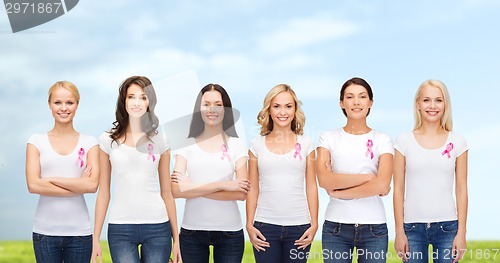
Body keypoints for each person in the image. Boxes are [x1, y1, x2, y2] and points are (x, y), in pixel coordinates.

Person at [91, 76, 180, 263]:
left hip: (158, 226)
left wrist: (176, 240)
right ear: (123, 101)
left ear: (150, 102)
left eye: (143, 97)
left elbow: (167, 192)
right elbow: (104, 192)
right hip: (120, 228)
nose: (137, 102)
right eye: (131, 97)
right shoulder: (107, 140)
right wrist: (95, 238)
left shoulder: (161, 140)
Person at [170, 83, 250, 263]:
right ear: (199, 108)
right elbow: (175, 190)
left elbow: (241, 193)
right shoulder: (186, 143)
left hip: (229, 232)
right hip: (192, 232)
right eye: (206, 104)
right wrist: (223, 185)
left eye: (218, 104)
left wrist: (191, 187)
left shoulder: (237, 145)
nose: (211, 109)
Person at [316, 77, 393, 263]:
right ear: (342, 103)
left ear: (370, 102)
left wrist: (339, 192)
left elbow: (383, 184)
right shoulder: (327, 138)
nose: (356, 102)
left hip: (374, 228)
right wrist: (368, 178)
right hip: (336, 228)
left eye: (362, 96)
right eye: (350, 97)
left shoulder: (383, 140)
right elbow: (324, 180)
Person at [393, 80, 468, 263]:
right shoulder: (403, 142)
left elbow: (462, 189)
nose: (432, 106)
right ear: (418, 104)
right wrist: (399, 232)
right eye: (426, 100)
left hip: (448, 228)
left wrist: (461, 233)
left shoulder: (458, 142)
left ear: (445, 105)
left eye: (438, 100)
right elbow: (398, 190)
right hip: (411, 229)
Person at [26, 80, 100, 263]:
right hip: (44, 233)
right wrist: (78, 185)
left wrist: (50, 180)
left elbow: (91, 186)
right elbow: (33, 185)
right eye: (57, 102)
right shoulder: (36, 141)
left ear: (77, 104)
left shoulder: (90, 143)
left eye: (69, 102)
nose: (63, 108)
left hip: (80, 233)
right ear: (50, 105)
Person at [246, 84, 318, 262]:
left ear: (295, 110)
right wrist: (249, 224)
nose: (282, 112)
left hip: (299, 227)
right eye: (276, 106)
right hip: (264, 227)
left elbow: (311, 186)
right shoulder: (256, 145)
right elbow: (252, 188)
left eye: (288, 106)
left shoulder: (307, 144)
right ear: (269, 110)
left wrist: (314, 224)